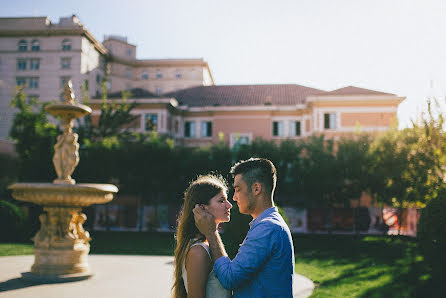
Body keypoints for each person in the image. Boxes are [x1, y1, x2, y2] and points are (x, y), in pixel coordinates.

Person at [193, 158, 295, 297]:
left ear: (256, 189)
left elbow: (230, 278)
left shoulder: (267, 228)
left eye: (238, 189)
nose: (234, 198)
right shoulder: (268, 225)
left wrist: (211, 232)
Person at [172, 175, 233, 298]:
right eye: (221, 201)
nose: (229, 205)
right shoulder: (198, 251)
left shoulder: (209, 244)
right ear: (202, 208)